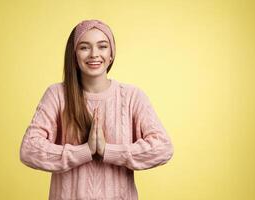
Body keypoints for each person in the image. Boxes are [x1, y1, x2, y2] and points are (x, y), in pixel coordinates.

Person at [20, 19, 173, 200]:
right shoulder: (57, 95)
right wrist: (84, 151)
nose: (94, 54)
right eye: (85, 47)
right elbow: (29, 150)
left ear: (111, 54)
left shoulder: (132, 96)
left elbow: (163, 148)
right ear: (74, 55)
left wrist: (108, 151)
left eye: (102, 46)